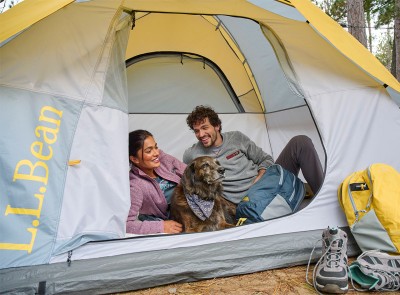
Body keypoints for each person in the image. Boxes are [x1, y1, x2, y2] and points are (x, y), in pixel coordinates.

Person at [183, 105, 324, 205]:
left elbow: (266, 159)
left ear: (217, 126)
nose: (201, 135)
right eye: (196, 131)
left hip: (266, 182)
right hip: (248, 201)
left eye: (204, 128)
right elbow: (186, 180)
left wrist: (261, 175)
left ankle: (323, 195)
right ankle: (302, 189)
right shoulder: (192, 155)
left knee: (300, 142)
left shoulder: (236, 138)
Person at [127, 129, 185, 234]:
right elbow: (127, 224)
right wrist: (161, 226)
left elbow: (190, 174)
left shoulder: (164, 160)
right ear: (134, 159)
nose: (156, 153)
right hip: (167, 221)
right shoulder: (135, 185)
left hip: (188, 211)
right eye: (149, 151)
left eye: (156, 147)